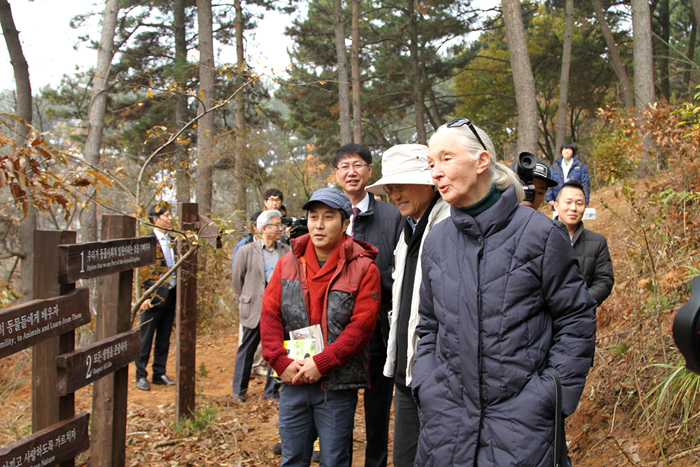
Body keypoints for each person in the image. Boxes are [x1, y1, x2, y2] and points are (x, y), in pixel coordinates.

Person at [413, 118, 597, 466]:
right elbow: (429, 326)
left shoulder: (540, 234)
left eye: (446, 158)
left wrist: (550, 395)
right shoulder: (436, 241)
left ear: (482, 161)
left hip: (522, 427)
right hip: (446, 424)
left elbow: (576, 318)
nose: (435, 173)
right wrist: (428, 386)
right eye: (431, 164)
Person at [260, 188, 381, 467]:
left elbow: (361, 327)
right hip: (294, 379)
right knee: (292, 459)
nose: (319, 224)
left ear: (346, 223)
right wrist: (279, 360)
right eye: (313, 217)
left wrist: (323, 362)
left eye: (328, 217)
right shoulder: (287, 263)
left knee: (335, 460)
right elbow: (269, 315)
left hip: (337, 386)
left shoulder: (364, 268)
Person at [365, 144, 450, 467]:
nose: (393, 193)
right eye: (389, 186)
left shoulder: (449, 225)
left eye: (400, 184)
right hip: (405, 372)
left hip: (436, 378)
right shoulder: (408, 229)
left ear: (428, 181)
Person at [333, 143, 403, 467]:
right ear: (336, 173)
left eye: (358, 165)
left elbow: (403, 271)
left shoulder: (393, 216)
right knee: (338, 409)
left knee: (377, 411)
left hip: (379, 330)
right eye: (344, 166)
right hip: (336, 332)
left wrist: (375, 281)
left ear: (370, 171)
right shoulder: (327, 215)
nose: (351, 172)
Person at [231, 210, 290, 403]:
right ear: (264, 228)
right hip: (254, 307)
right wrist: (247, 298)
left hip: (278, 309)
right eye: (276, 225)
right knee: (247, 348)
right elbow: (237, 280)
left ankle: (271, 391)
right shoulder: (246, 251)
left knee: (277, 349)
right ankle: (239, 391)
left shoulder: (285, 250)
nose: (280, 228)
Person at [136, 203, 178, 391]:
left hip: (171, 294)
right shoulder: (147, 242)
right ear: (155, 219)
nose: (170, 218)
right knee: (145, 337)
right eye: (166, 215)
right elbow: (141, 271)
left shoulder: (175, 240)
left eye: (170, 215)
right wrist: (143, 297)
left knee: (164, 336)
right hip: (151, 297)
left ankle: (159, 372)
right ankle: (140, 374)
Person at [555, 180, 615, 306]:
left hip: (580, 318)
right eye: (568, 202)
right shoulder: (540, 236)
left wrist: (581, 302)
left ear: (585, 208)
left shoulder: (597, 242)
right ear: (556, 205)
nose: (573, 208)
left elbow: (604, 281)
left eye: (579, 203)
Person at [546, 141, 591, 208]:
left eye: (569, 149)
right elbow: (550, 183)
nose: (566, 151)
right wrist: (549, 198)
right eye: (564, 149)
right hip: (558, 201)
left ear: (573, 151)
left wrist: (586, 200)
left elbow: (585, 183)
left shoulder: (580, 166)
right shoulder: (555, 166)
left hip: (575, 201)